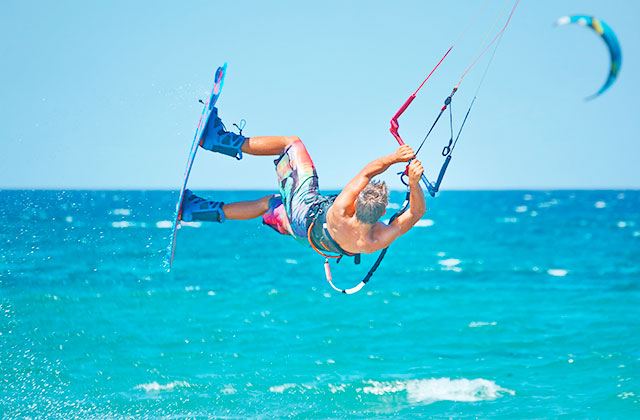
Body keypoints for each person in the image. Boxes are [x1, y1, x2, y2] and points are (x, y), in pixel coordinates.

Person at [180, 106, 426, 257]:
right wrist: (414, 183)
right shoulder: (376, 239)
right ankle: (194, 211)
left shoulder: (342, 209)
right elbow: (415, 212)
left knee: (292, 143)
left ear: (357, 202)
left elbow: (366, 174)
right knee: (269, 204)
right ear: (381, 212)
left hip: (304, 213)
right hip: (308, 237)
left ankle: (218, 139)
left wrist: (394, 158)